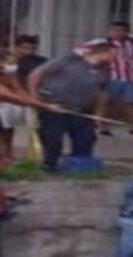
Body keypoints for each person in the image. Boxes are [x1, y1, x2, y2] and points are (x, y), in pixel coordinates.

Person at [29, 39, 113, 171]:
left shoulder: (103, 70)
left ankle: (80, 164)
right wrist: (35, 98)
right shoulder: (67, 61)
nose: (114, 58)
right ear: (102, 52)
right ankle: (50, 164)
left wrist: (99, 113)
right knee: (53, 138)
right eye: (112, 54)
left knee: (85, 138)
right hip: (56, 107)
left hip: (83, 109)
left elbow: (102, 92)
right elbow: (36, 74)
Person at [0, 35, 48, 157]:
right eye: (24, 48)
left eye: (32, 48)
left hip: (30, 98)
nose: (28, 51)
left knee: (35, 127)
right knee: (5, 128)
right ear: (16, 47)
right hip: (7, 98)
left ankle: (37, 155)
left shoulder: (40, 62)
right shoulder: (3, 59)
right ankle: (6, 154)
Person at [98, 20, 133, 133]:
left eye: (121, 30)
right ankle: (102, 126)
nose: (117, 33)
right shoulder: (103, 43)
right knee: (106, 103)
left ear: (127, 32)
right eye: (114, 30)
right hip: (111, 78)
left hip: (132, 78)